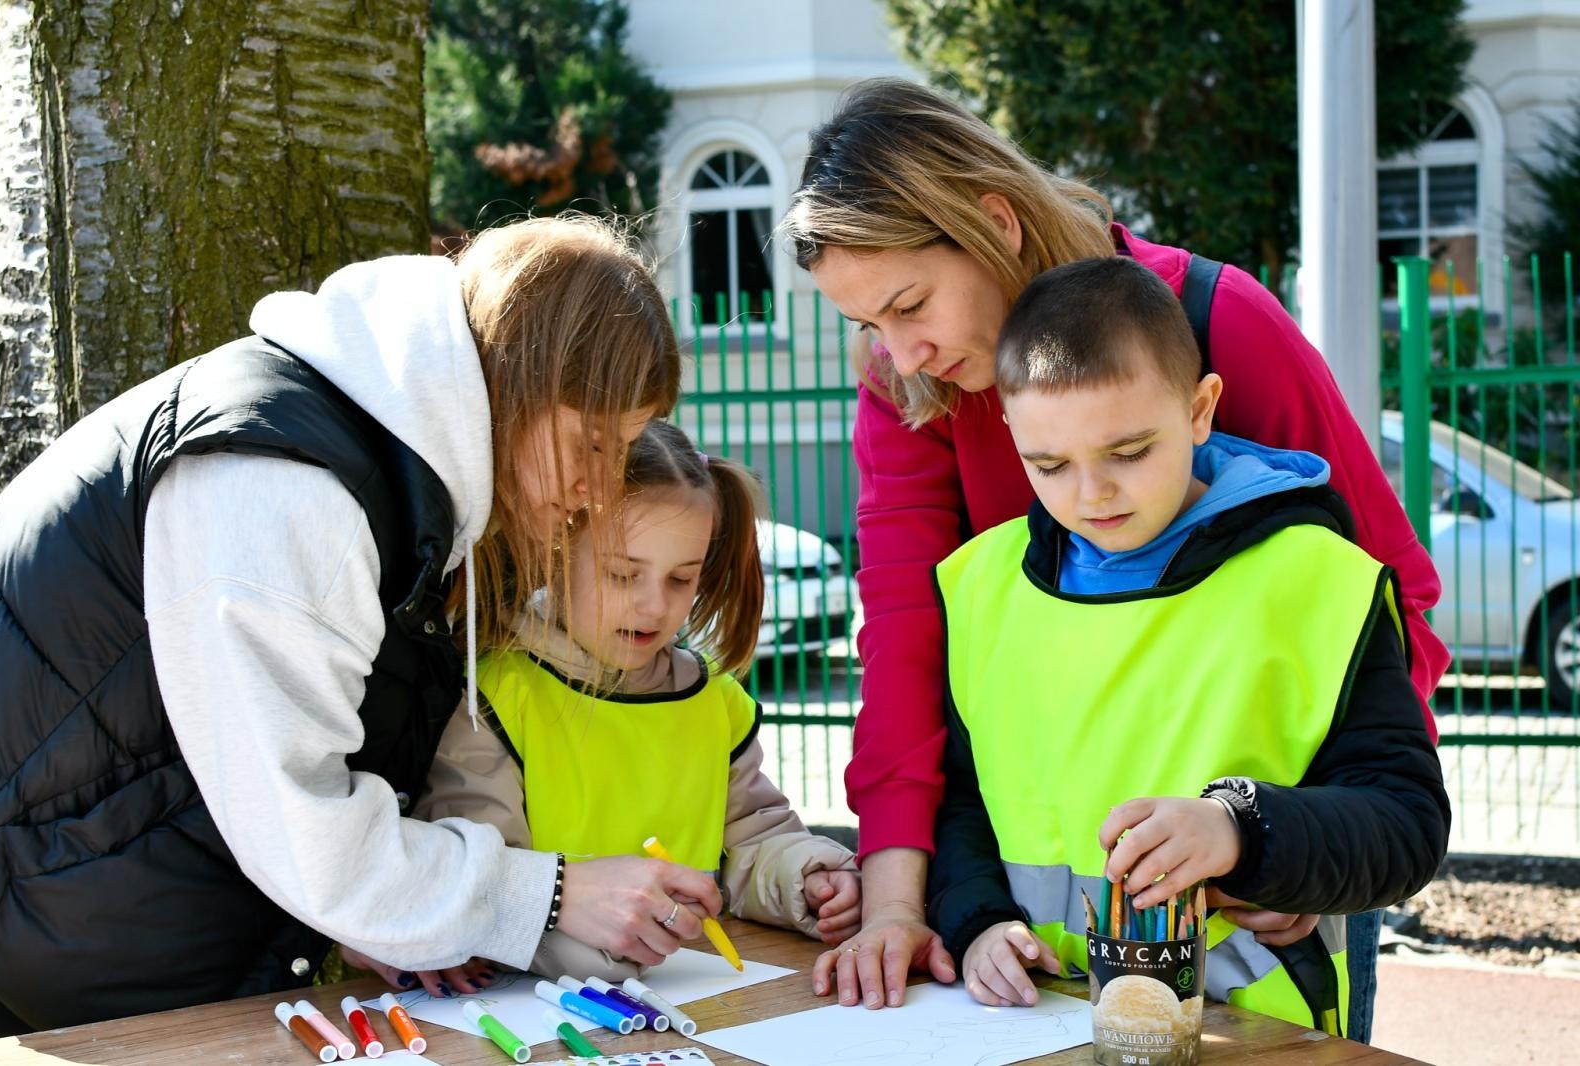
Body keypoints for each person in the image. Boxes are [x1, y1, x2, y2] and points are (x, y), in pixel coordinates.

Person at [779, 78, 1445, 1038]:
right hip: (1049, 945)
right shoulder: (908, 387)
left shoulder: (1218, 317)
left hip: (1264, 919)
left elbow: (1378, 604)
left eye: (911, 303)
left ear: (995, 223)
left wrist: (1302, 857)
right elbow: (908, 648)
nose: (903, 353)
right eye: (867, 326)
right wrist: (902, 901)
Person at [0, 216, 725, 1036]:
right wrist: (548, 894)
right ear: (513, 378)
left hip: (102, 923)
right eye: (589, 442)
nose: (597, 489)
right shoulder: (283, 485)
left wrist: (406, 913)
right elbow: (307, 833)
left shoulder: (381, 468)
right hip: (52, 939)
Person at [925, 256, 1448, 1032]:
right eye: (1049, 464)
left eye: (1129, 452)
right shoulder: (977, 588)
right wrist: (974, 925)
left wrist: (1245, 831)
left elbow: (1407, 826)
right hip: (1033, 1024)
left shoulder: (1318, 580)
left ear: (1201, 410)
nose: (1092, 493)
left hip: (1255, 1028)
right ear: (1011, 433)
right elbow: (959, 804)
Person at [391, 420, 861, 990]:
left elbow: (753, 842)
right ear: (554, 553)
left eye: (681, 579)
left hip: (696, 995)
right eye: (623, 573)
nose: (652, 605)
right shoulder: (492, 698)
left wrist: (808, 878)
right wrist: (578, 947)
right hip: (541, 1014)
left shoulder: (715, 701)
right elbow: (488, 882)